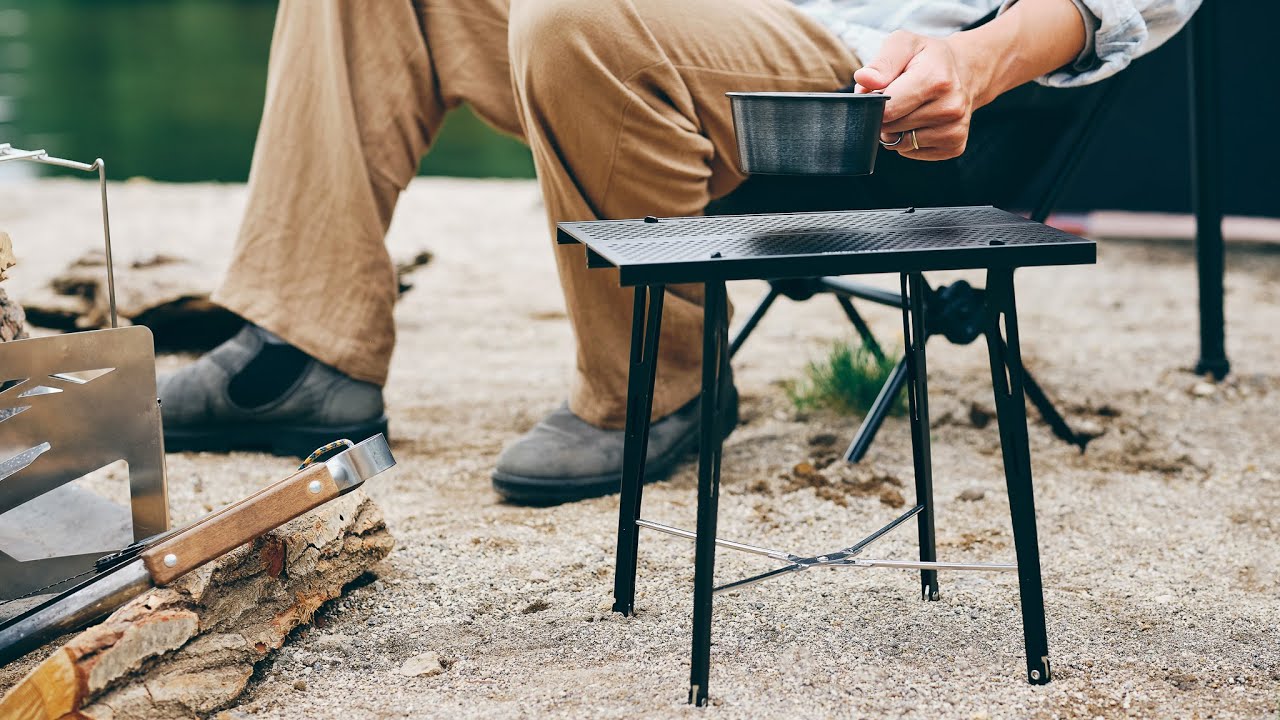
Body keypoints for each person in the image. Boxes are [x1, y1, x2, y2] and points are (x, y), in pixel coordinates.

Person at [159, 0, 1199, 505]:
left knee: (578, 19)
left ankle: (653, 387)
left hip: (885, 76)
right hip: (719, 16)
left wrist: (973, 60)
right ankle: (306, 350)